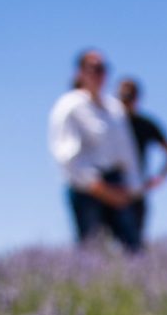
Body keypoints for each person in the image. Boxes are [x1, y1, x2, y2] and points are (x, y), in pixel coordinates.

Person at [48, 49, 143, 251]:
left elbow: (127, 153)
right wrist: (99, 188)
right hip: (87, 190)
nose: (100, 74)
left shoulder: (114, 108)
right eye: (94, 68)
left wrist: (132, 188)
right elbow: (66, 156)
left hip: (118, 185)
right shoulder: (69, 106)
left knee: (133, 249)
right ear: (80, 73)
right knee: (91, 251)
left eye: (103, 69)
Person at [117, 77, 167, 240]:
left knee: (134, 244)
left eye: (129, 97)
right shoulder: (109, 124)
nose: (124, 101)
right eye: (121, 97)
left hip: (136, 192)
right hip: (109, 190)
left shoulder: (145, 124)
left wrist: (159, 178)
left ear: (137, 98)